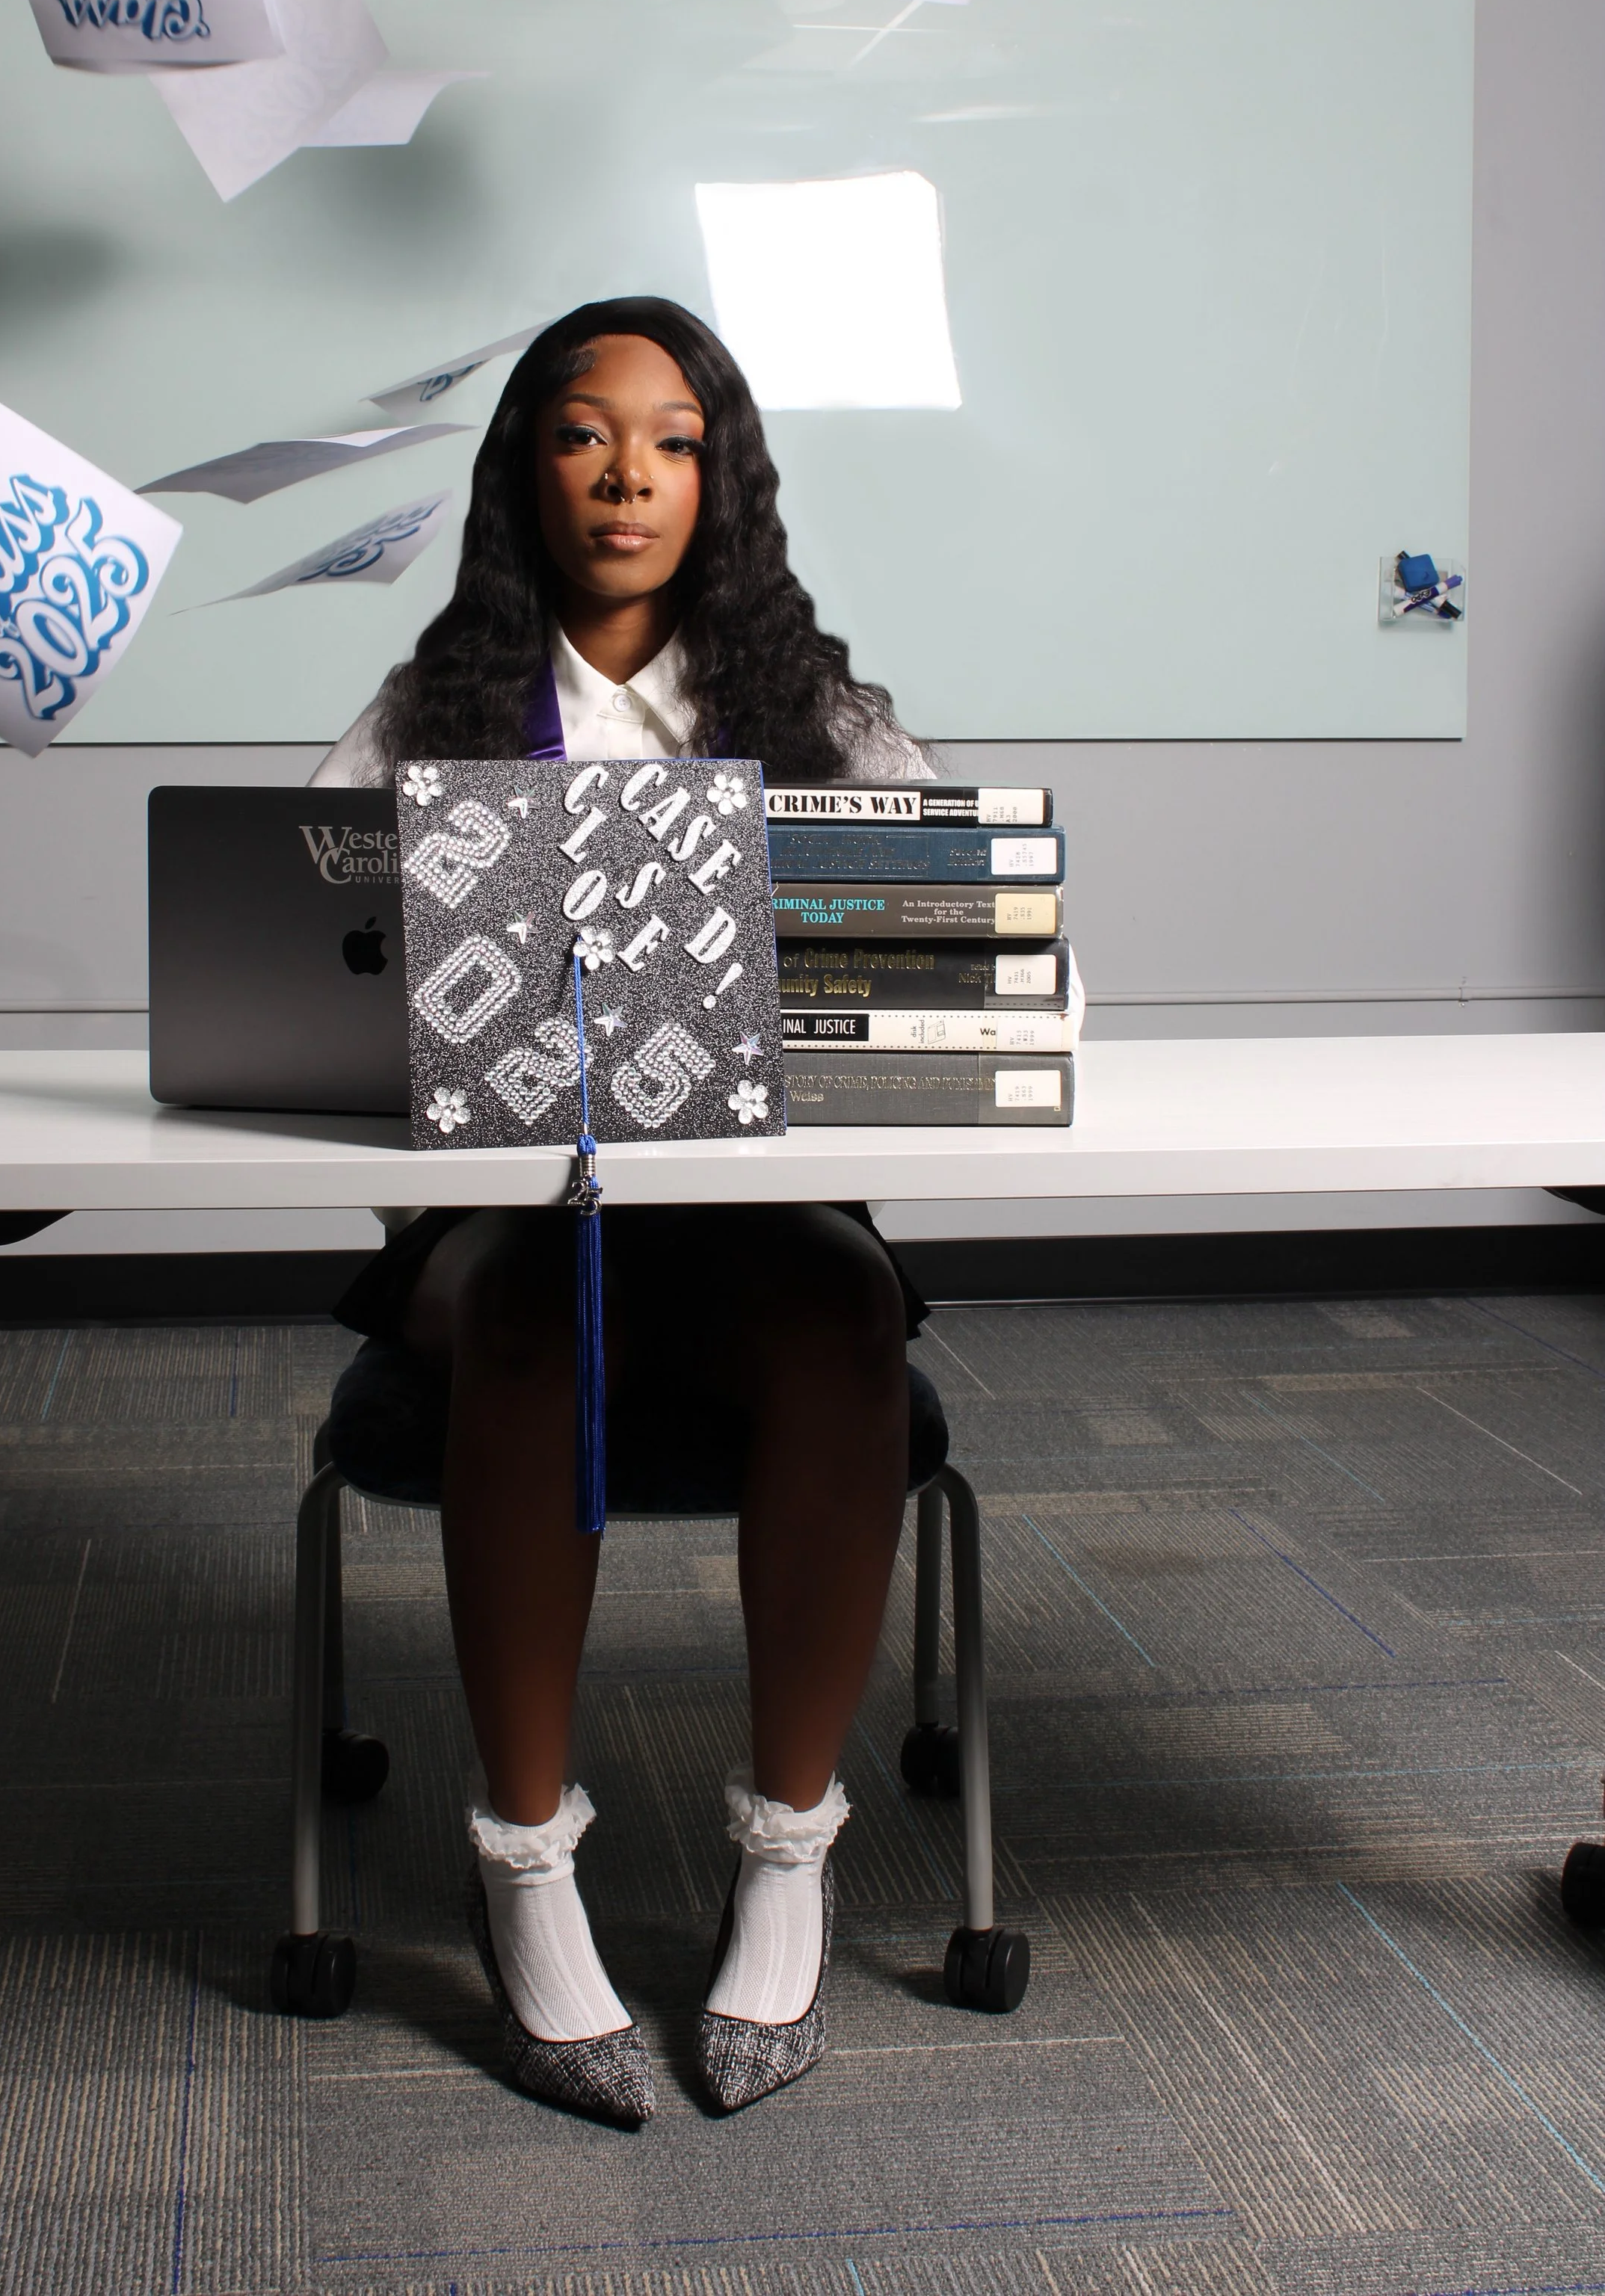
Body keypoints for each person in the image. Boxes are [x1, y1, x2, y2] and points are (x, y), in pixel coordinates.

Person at [311, 297, 940, 2127]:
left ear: (717, 477)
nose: (626, 476)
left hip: (745, 1222)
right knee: (528, 1309)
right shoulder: (425, 715)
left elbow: (903, 981)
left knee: (843, 1311)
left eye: (670, 441)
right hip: (503, 1222)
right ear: (529, 462)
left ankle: (788, 1853)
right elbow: (323, 972)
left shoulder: (821, 719)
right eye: (586, 434)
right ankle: (523, 1867)